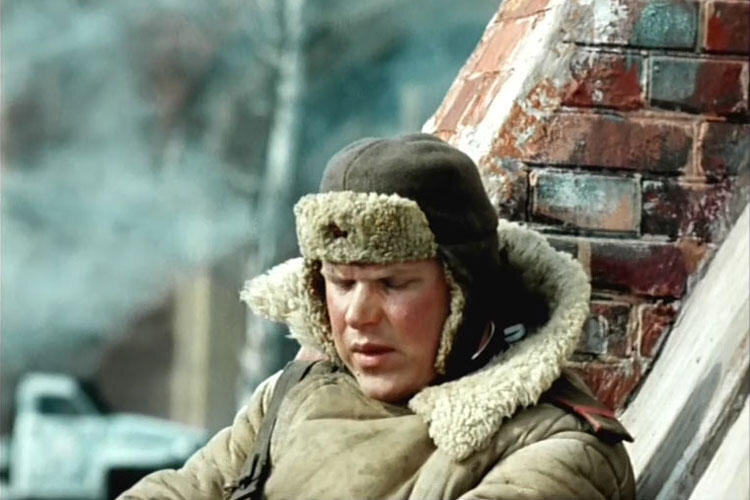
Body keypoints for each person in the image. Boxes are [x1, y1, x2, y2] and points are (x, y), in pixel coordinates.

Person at [121, 134, 635, 499]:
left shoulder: (559, 450)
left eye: (393, 284)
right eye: (342, 283)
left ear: (465, 292)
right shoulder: (294, 394)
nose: (358, 316)